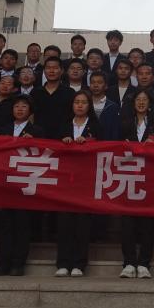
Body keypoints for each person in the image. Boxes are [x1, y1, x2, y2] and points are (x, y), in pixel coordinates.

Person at [118, 90, 154, 279]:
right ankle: (128, 262)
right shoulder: (124, 124)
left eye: (145, 100)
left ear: (150, 104)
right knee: (127, 223)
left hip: (149, 179)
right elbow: (114, 148)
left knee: (147, 224)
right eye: (138, 99)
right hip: (128, 178)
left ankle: (144, 263)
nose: (141, 103)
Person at [55, 92, 100, 277]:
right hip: (65, 179)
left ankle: (79, 264)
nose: (80, 105)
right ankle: (63, 263)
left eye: (83, 102)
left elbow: (103, 147)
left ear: (89, 105)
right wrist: (63, 142)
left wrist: (88, 142)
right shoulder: (64, 125)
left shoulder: (95, 125)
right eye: (77, 102)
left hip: (86, 180)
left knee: (82, 225)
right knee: (64, 223)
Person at [0, 95, 37, 277]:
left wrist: (33, 141)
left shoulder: (37, 131)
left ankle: (18, 264)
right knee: (5, 226)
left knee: (22, 226)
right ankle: (2, 263)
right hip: (6, 184)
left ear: (30, 111)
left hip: (25, 185)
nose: (19, 109)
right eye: (17, 106)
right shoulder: (3, 129)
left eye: (24, 106)